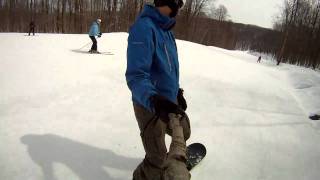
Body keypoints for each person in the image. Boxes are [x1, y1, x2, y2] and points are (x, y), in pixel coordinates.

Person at [126, 0, 191, 179]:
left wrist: (176, 92)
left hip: (168, 101)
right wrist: (155, 100)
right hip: (148, 104)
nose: (181, 6)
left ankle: (168, 160)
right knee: (157, 159)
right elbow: (136, 76)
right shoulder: (144, 28)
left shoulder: (167, 30)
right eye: (179, 2)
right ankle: (144, 174)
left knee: (185, 131)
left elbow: (168, 69)